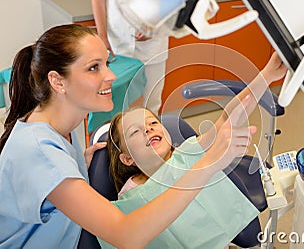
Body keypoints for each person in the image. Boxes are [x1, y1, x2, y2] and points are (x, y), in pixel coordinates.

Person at [0, 24, 285, 248]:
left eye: (106, 63)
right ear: (57, 81)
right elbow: (127, 236)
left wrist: (268, 74)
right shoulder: (39, 152)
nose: (110, 76)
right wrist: (208, 162)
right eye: (93, 67)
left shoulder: (69, 121)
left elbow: (225, 119)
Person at [108, 51, 287, 197]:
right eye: (134, 132)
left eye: (153, 122)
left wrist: (268, 74)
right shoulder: (132, 195)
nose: (148, 128)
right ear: (127, 158)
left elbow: (227, 118)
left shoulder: (187, 154)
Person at [91, 0, 168, 114]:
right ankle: (120, 134)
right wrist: (102, 37)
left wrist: (157, 23)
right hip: (116, 42)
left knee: (151, 102)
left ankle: (148, 133)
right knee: (117, 105)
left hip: (153, 43)